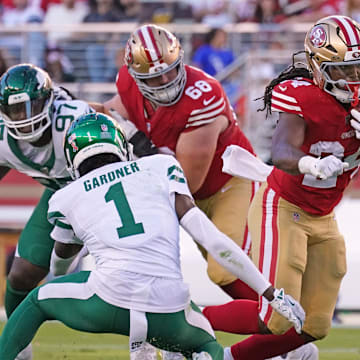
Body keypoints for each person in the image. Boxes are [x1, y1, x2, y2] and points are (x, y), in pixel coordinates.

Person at [0, 112, 305, 360]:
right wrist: (270, 292)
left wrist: (82, 252)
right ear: (120, 146)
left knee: (35, 301)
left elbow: (59, 268)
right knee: (210, 348)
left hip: (107, 303)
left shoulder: (66, 197)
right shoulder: (160, 167)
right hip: (169, 309)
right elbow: (213, 240)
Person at [208, 14, 360, 360]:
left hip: (324, 215)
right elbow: (281, 150)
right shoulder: (301, 95)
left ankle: (221, 358)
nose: (354, 78)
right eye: (344, 70)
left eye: (357, 68)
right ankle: (180, 323)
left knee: (315, 326)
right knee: (277, 318)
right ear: (318, 67)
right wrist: (311, 163)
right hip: (284, 207)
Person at [91, 23, 260, 304]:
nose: (168, 80)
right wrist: (72, 107)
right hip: (186, 195)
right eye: (155, 77)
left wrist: (141, 148)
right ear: (136, 76)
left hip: (228, 183)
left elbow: (186, 182)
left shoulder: (202, 96)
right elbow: (110, 113)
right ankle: (281, 331)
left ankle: (283, 326)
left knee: (224, 269)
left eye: (171, 69)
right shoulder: (130, 85)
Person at [0, 63, 93, 360]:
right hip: (60, 194)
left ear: (49, 100)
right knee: (21, 275)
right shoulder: (4, 139)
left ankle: (161, 342)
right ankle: (18, 347)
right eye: (15, 111)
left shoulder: (73, 119)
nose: (24, 119)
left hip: (101, 193)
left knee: (130, 271)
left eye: (31, 107)